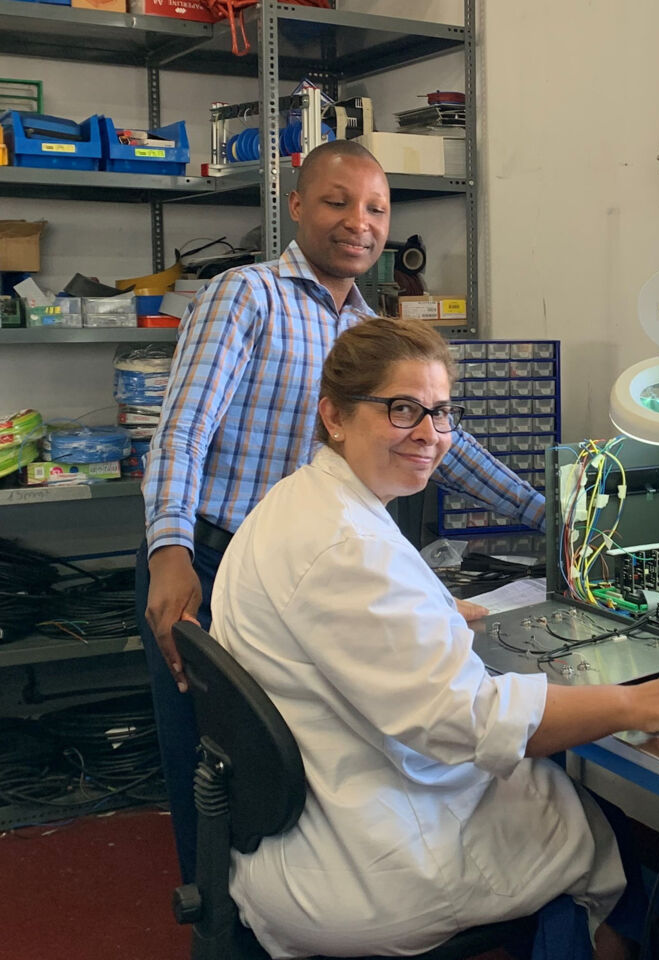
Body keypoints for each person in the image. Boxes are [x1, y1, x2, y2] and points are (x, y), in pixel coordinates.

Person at [210, 315, 659, 958]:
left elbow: (345, 623)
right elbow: (466, 722)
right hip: (371, 862)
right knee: (598, 828)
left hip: (308, 819)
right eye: (402, 410)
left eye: (440, 412)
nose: (430, 435)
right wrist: (637, 701)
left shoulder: (304, 503)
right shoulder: (347, 545)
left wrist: (428, 609)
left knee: (571, 804)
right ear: (335, 416)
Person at [138, 139, 545, 883]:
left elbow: (447, 445)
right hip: (209, 553)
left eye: (376, 208)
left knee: (300, 753)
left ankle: (291, 894)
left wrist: (544, 514)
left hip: (308, 567)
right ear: (296, 206)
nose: (358, 221)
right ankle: (215, 906)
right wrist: (169, 553)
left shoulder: (368, 330)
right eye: (337, 201)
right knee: (212, 754)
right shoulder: (245, 294)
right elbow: (183, 430)